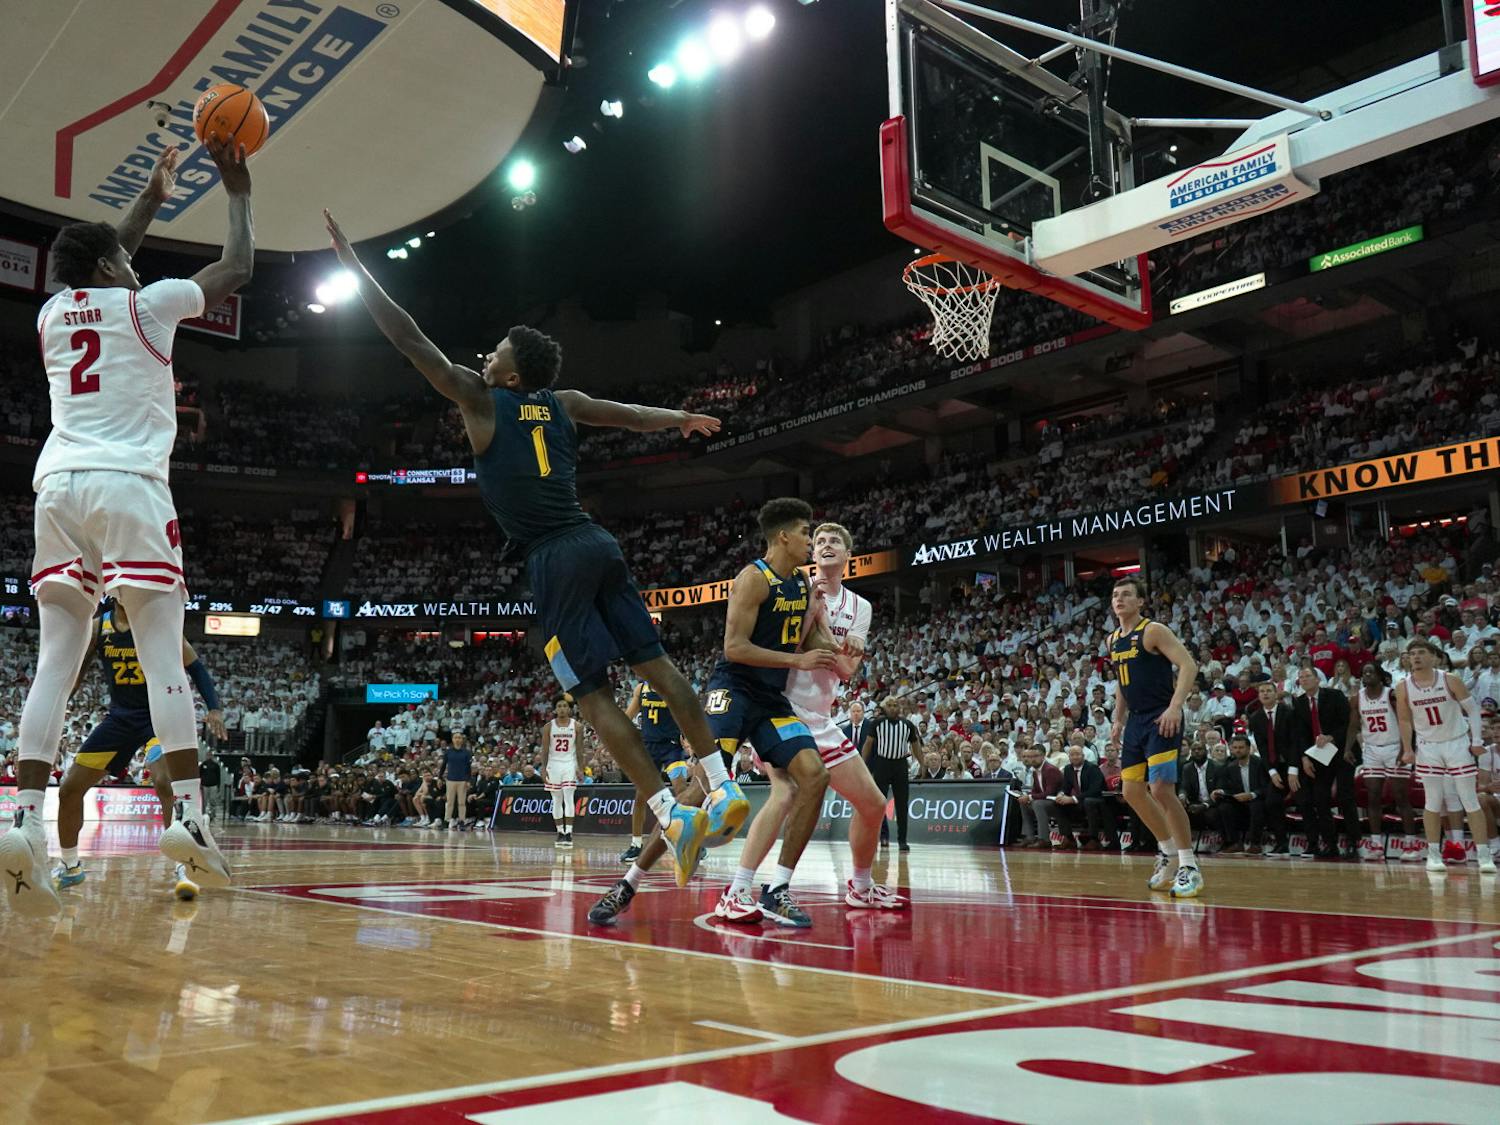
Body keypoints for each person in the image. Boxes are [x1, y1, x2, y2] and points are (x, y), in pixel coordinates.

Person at [325, 211, 750, 889]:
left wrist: (355, 265)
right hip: (599, 540)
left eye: (494, 353)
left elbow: (408, 337)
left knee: (590, 694)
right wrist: (681, 418)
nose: (484, 357)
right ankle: (724, 789)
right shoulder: (564, 401)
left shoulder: (481, 398)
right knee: (658, 667)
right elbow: (626, 413)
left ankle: (672, 812)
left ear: (512, 375)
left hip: (553, 557)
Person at [1, 140, 251, 917]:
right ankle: (191, 817)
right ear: (113, 268)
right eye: (127, 259)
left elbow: (98, 262)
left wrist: (150, 196)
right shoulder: (149, 305)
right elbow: (235, 270)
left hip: (56, 489)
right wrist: (236, 190)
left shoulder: (49, 313)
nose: (137, 267)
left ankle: (20, 823)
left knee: (53, 665)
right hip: (130, 486)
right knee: (160, 656)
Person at [588, 499, 838, 926]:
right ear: (782, 536)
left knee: (815, 775)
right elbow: (734, 648)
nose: (810, 541)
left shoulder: (799, 582)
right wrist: (797, 661)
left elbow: (807, 631)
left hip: (770, 700)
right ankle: (626, 884)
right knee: (699, 791)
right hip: (733, 692)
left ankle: (776, 888)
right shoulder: (752, 580)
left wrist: (831, 645)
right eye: (804, 532)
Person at [715, 521, 905, 926]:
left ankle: (860, 885)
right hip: (780, 708)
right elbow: (787, 644)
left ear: (848, 554)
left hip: (822, 716)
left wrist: (840, 644)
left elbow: (848, 670)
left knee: (872, 804)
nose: (825, 544)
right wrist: (816, 621)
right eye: (818, 540)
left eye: (835, 540)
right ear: (811, 552)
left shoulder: (861, 607)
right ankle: (738, 889)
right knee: (784, 794)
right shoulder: (796, 587)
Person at [51, 598, 227, 898]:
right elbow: (76, 673)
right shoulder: (99, 627)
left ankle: (185, 867)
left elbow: (195, 666)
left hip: (157, 716)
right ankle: (70, 866)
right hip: (119, 718)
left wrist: (214, 708)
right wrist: (57, 703)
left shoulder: (157, 620)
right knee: (69, 789)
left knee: (164, 783)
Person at [1106, 576, 1203, 898]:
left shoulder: (1153, 630)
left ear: (1140, 601)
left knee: (1161, 788)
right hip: (1135, 722)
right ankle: (1168, 853)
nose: (1119, 599)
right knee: (1132, 791)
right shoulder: (1113, 640)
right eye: (1116, 595)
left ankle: (1190, 865)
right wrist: (1117, 720)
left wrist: (1176, 707)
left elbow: (1188, 665)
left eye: (1127, 595)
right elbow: (1123, 682)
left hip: (1162, 716)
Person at [1396, 638, 1497, 873]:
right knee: (1432, 801)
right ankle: (1433, 855)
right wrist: (1408, 749)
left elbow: (1472, 710)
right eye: (1412, 654)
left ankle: (1484, 856)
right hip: (1428, 745)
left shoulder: (1450, 679)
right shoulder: (1403, 686)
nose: (1416, 657)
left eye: (1421, 653)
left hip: (1456, 743)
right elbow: (1403, 719)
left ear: (1434, 657)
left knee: (1469, 800)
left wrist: (1477, 741)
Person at [1349, 664, 1417, 861]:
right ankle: (1376, 844)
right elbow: (1354, 725)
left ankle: (1411, 843)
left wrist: (1407, 747)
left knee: (1400, 796)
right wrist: (1347, 748)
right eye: (1364, 672)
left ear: (1380, 676)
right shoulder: (1357, 698)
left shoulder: (1391, 695)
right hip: (1371, 749)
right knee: (1373, 796)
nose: (1366, 675)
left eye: (1371, 672)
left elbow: (1406, 721)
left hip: (1395, 746)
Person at [620, 680, 692, 862]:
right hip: (649, 749)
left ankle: (691, 842)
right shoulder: (641, 689)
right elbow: (627, 716)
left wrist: (688, 740)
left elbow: (685, 716)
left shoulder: (671, 687)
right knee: (640, 797)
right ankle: (636, 845)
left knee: (682, 792)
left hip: (672, 747)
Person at [1291, 666, 1356, 859]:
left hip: (1343, 752)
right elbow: (1300, 734)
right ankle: (1330, 844)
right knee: (1320, 799)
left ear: (1318, 679)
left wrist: (1330, 737)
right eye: (1300, 677)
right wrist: (1304, 757)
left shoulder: (1334, 695)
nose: (1304, 679)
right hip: (1318, 756)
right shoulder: (1299, 702)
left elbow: (1347, 724)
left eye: (1307, 676)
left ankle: (1353, 842)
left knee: (1345, 797)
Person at [863, 696, 920, 851]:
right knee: (879, 803)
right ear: (884, 708)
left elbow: (915, 745)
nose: (893, 708)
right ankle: (880, 836)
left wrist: (922, 764)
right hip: (882, 764)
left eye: (895, 705)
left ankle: (902, 840)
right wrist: (863, 763)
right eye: (890, 705)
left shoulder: (907, 724)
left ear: (899, 707)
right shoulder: (877, 723)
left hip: (900, 765)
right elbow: (868, 744)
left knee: (902, 805)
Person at [1216, 733, 1273, 852]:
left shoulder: (1259, 763)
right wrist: (1221, 791)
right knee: (1224, 807)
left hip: (1258, 799)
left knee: (1256, 806)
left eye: (1241, 747)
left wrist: (1252, 794)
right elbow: (1229, 788)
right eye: (1235, 748)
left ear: (1248, 748)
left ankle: (1255, 843)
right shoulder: (1230, 767)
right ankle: (1235, 842)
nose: (1238, 750)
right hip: (1240, 802)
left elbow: (1266, 787)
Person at [1054, 744, 1110, 848]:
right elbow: (1065, 787)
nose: (1075, 757)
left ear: (1083, 756)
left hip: (1098, 802)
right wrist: (1061, 794)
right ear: (1069, 757)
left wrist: (1073, 799)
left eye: (1078, 754)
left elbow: (1095, 790)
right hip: (1080, 801)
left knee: (1088, 801)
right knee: (1059, 803)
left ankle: (1094, 839)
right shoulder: (1068, 769)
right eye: (1072, 755)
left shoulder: (1092, 768)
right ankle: (1068, 838)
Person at [543, 698, 580, 847]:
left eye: (565, 706)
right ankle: (560, 832)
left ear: (569, 709)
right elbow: (545, 749)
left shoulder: (577, 726)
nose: (562, 708)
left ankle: (569, 832)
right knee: (556, 799)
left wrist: (581, 767)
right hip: (553, 764)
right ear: (555, 709)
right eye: (559, 706)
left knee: (569, 797)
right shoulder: (548, 727)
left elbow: (580, 749)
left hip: (570, 763)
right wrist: (543, 768)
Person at [442, 732, 473, 830]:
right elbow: (443, 765)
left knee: (461, 802)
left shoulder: (466, 753)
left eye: (459, 737)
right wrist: (439, 777)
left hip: (462, 780)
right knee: (450, 802)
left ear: (462, 740)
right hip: (450, 780)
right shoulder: (448, 752)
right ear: (452, 739)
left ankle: (462, 821)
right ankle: (446, 821)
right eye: (455, 737)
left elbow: (468, 768)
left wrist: (468, 780)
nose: (457, 739)